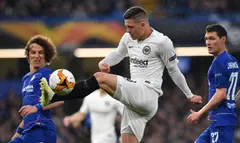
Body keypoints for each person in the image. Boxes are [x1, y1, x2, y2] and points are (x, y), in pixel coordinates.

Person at [40, 6, 202, 143]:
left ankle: (55, 95)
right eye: (126, 26)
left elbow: (174, 71)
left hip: (147, 93)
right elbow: (118, 53)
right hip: (135, 102)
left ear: (143, 24)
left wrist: (189, 95)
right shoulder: (128, 38)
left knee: (99, 78)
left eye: (131, 27)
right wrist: (106, 62)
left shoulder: (162, 42)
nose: (127, 30)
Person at [187, 24, 240, 143]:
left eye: (212, 38)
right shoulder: (233, 61)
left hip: (221, 122)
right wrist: (230, 105)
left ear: (223, 39)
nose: (208, 42)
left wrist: (200, 113)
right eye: (206, 38)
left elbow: (221, 94)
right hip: (220, 119)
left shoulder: (219, 62)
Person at [9, 35, 64, 143]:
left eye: (41, 52)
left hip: (42, 130)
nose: (36, 56)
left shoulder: (47, 74)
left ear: (46, 56)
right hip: (28, 132)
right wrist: (18, 132)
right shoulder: (25, 79)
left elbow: (60, 99)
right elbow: (28, 111)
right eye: (33, 52)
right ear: (28, 55)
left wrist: (36, 107)